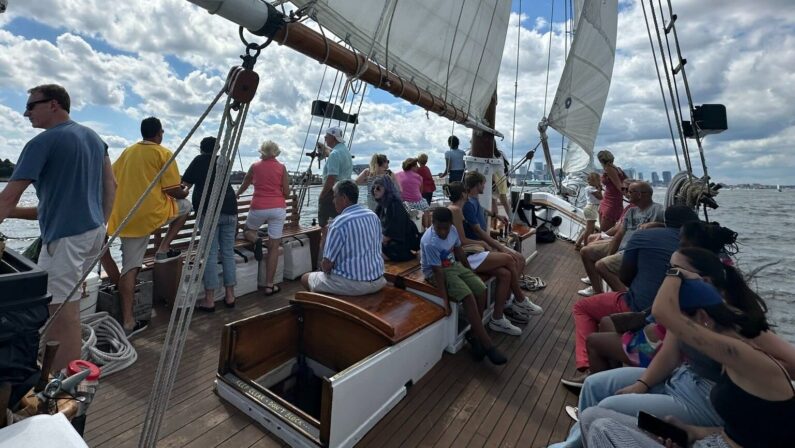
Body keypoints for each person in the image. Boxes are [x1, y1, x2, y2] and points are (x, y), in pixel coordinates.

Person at [550, 249, 795, 448]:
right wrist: (691, 432)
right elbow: (671, 349)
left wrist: (675, 274)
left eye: (674, 269)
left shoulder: (742, 352)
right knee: (594, 402)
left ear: (701, 317)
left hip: (701, 401)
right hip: (696, 408)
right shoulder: (719, 327)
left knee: (603, 421)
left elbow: (663, 313)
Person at [0, 84, 115, 371]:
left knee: (62, 311)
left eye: (31, 105)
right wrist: (101, 222)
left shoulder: (41, 143)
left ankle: (63, 384)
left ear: (53, 104)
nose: (26, 112)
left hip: (66, 240)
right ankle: (64, 372)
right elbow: (110, 185)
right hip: (92, 233)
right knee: (68, 307)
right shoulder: (94, 138)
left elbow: (7, 198)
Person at [561, 206, 698, 388]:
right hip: (679, 321)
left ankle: (590, 369)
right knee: (609, 322)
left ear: (664, 220)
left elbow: (625, 276)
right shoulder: (702, 249)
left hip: (644, 312)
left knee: (583, 308)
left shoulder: (645, 236)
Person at [107, 116, 191, 336]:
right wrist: (183, 190)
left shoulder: (127, 152)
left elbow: (111, 179)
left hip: (125, 217)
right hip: (151, 214)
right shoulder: (163, 153)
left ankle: (127, 321)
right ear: (159, 133)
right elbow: (172, 190)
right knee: (187, 205)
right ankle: (163, 246)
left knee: (129, 267)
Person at [446, 181, 543, 327]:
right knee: (509, 259)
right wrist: (483, 244)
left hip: (466, 254)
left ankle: (497, 318)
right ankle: (520, 299)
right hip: (463, 257)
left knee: (505, 274)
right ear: (463, 194)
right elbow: (461, 241)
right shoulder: (456, 210)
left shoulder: (455, 209)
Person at [421, 207, 507, 365]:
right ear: (432, 224)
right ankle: (487, 344)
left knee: (481, 289)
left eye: (445, 228)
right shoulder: (430, 242)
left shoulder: (453, 230)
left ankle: (474, 334)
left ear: (450, 225)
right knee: (467, 296)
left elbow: (458, 250)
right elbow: (438, 273)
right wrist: (445, 301)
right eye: (439, 228)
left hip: (452, 265)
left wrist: (469, 272)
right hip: (436, 272)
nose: (442, 232)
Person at [300, 180, 386, 296]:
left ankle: (327, 310)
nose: (333, 201)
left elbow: (327, 265)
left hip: (354, 286)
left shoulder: (339, 223)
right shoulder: (372, 215)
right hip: (378, 280)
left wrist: (322, 268)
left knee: (305, 278)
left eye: (335, 196)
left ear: (344, 198)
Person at [579, 181, 664, 297]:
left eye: (630, 192)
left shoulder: (659, 210)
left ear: (640, 195)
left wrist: (657, 225)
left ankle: (627, 301)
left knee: (601, 265)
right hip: (622, 247)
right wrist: (609, 254)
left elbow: (672, 229)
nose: (627, 194)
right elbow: (619, 234)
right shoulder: (631, 211)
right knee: (585, 251)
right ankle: (597, 292)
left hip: (635, 251)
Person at [181, 136, 238, 310]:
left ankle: (210, 299)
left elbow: (185, 185)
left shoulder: (199, 160)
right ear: (218, 148)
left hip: (209, 211)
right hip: (230, 209)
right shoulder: (224, 161)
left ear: (201, 148)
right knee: (228, 253)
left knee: (211, 255)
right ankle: (230, 296)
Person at [236, 140, 289, 295]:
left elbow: (245, 183)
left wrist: (237, 195)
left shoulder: (254, 166)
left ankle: (256, 239)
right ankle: (269, 285)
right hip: (278, 209)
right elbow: (286, 192)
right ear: (276, 152)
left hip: (258, 207)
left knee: (248, 230)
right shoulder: (281, 167)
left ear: (262, 152)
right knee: (273, 247)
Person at [461, 171, 525, 273]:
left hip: (481, 245)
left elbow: (482, 209)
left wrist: (496, 215)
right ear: (477, 184)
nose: (484, 186)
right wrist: (499, 247)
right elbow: (478, 231)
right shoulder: (469, 204)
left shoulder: (473, 200)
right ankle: (516, 288)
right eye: (483, 184)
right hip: (476, 249)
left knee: (505, 273)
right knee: (519, 259)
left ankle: (514, 288)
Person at [371, 175, 420, 262]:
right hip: (389, 243)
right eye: (374, 188)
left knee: (371, 250)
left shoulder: (395, 205)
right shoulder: (381, 206)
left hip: (401, 245)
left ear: (386, 189)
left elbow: (389, 235)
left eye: (378, 188)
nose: (375, 190)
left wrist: (377, 240)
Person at [316, 126, 353, 228]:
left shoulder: (334, 154)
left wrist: (322, 195)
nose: (325, 138)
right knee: (341, 223)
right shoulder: (346, 152)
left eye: (326, 136)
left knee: (325, 227)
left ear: (333, 137)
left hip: (332, 194)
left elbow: (331, 178)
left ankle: (326, 242)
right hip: (344, 193)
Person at [596, 150, 626, 232]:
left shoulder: (609, 169)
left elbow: (619, 186)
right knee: (604, 232)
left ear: (600, 160)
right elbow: (626, 183)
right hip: (608, 201)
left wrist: (630, 197)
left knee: (604, 233)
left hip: (611, 203)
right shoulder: (618, 169)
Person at [575, 172, 603, 250]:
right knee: (589, 229)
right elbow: (600, 197)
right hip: (591, 208)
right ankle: (585, 246)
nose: (600, 182)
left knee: (589, 228)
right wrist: (599, 189)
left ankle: (578, 243)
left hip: (592, 208)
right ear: (595, 181)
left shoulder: (592, 188)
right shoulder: (590, 188)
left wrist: (598, 188)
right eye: (598, 180)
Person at [490, 146, 512, 222]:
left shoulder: (489, 155)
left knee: (494, 201)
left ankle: (494, 223)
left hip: (494, 179)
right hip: (502, 178)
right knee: (504, 202)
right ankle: (512, 220)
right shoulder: (501, 153)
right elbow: (507, 166)